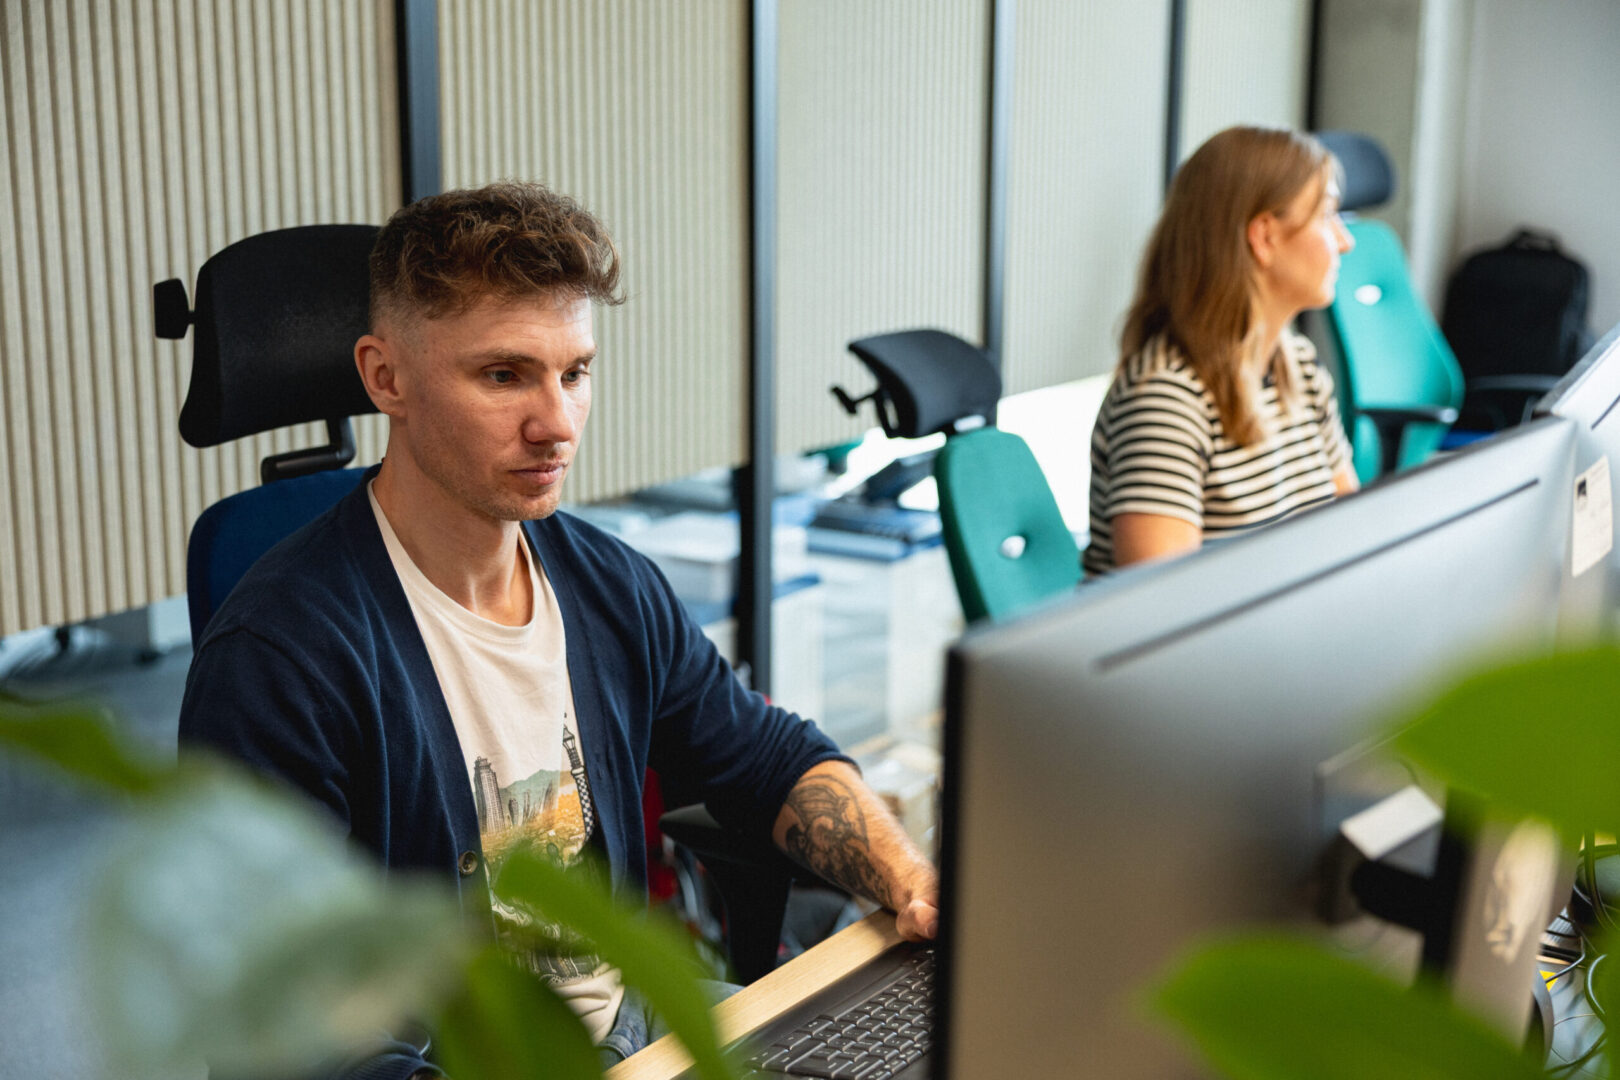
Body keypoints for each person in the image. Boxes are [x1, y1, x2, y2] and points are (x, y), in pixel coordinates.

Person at [178, 182, 938, 1076]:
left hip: (639, 1031)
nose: (557, 424)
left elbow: (769, 758)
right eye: (504, 375)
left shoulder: (605, 580)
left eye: (574, 372)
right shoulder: (278, 659)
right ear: (386, 377)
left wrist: (908, 877)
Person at [1083, 126, 1361, 575]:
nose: (1345, 240)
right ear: (1265, 237)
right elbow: (1164, 614)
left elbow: (1352, 533)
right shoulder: (1167, 401)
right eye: (1327, 215)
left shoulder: (1299, 368)